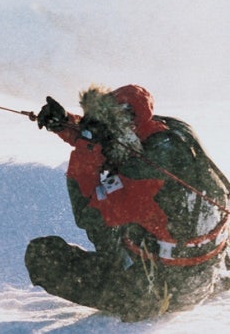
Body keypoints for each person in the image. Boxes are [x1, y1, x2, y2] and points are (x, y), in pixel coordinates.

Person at [26, 84, 230, 322]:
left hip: (162, 289)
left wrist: (86, 147)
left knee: (42, 255)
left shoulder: (142, 178)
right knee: (139, 219)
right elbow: (119, 141)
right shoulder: (172, 132)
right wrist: (67, 125)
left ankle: (139, 299)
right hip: (207, 271)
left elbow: (86, 211)